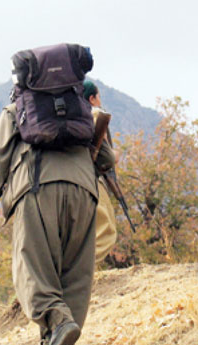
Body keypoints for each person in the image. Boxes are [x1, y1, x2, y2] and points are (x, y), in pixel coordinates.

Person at [0, 61, 114, 345]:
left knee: (32, 269)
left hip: (36, 190)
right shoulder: (82, 109)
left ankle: (57, 323)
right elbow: (106, 159)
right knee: (75, 275)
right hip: (83, 193)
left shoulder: (16, 110)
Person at [83, 80, 118, 264]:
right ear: (92, 98)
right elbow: (106, 158)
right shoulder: (95, 115)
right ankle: (81, 272)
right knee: (106, 231)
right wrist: (114, 155)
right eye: (98, 97)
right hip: (89, 179)